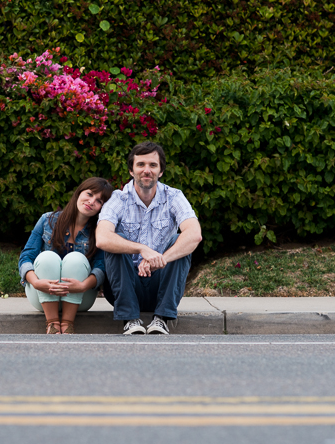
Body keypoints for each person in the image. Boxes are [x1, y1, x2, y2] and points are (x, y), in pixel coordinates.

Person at [95, 142, 202, 335]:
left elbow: (194, 234)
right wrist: (141, 249)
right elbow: (102, 238)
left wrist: (161, 259)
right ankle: (129, 319)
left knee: (179, 240)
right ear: (131, 170)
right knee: (115, 240)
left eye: (153, 165)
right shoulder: (118, 199)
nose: (147, 170)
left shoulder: (174, 196)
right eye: (141, 165)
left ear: (160, 171)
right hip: (125, 286)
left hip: (160, 286)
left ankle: (161, 319)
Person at [18, 177, 114, 334]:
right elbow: (26, 257)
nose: (91, 201)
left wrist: (83, 286)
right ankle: (52, 323)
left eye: (99, 201)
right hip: (42, 296)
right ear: (78, 193)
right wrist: (36, 283)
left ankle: (68, 323)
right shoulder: (47, 220)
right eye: (89, 194)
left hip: (80, 298)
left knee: (76, 259)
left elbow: (101, 267)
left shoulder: (99, 231)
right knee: (46, 257)